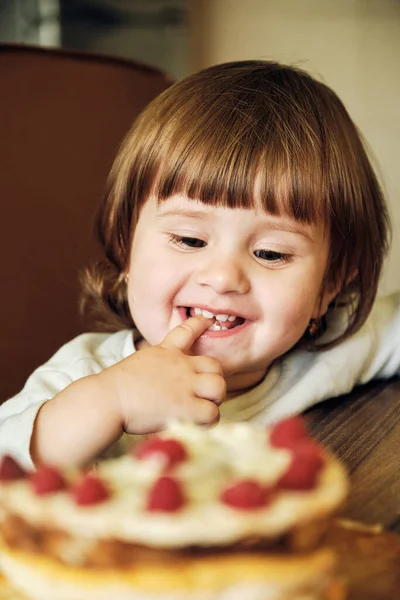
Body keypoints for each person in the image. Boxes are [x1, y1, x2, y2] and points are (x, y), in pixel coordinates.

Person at [1, 60, 399, 470]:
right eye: (190, 240)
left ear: (329, 284)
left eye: (271, 253)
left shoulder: (334, 351)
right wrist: (112, 401)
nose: (223, 277)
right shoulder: (86, 373)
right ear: (125, 251)